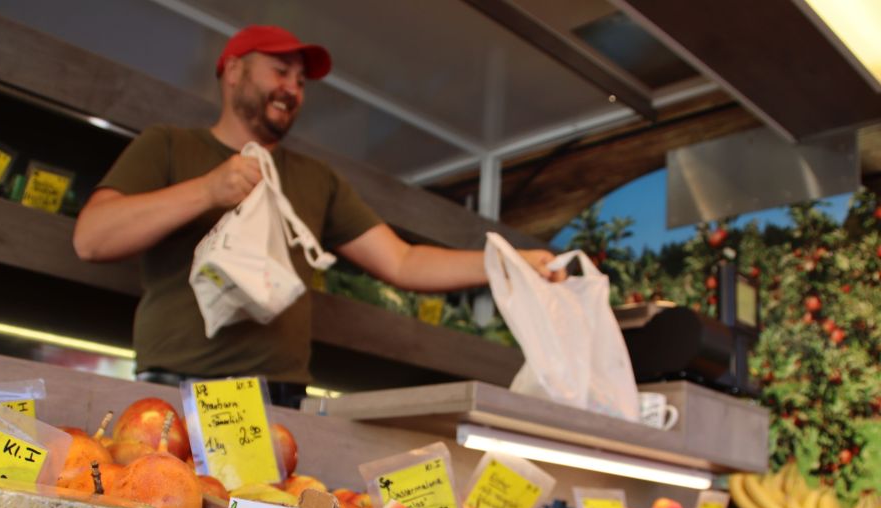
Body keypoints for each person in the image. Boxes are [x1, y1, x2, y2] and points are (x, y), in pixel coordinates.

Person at [74, 24, 560, 407]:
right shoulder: (168, 145)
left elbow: (403, 262)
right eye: (280, 72)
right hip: (173, 389)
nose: (292, 88)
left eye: (301, 81)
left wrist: (510, 262)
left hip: (279, 399)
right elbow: (91, 239)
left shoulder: (316, 179)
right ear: (234, 71)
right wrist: (207, 190)